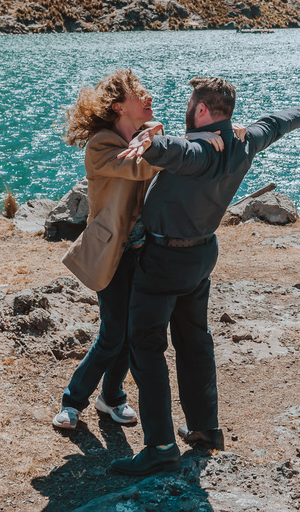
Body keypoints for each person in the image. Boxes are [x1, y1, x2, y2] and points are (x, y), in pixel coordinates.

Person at [109, 77, 300, 475]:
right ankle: (205, 429)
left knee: (146, 346)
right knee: (194, 340)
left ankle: (161, 446)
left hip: (164, 259)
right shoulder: (242, 140)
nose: (187, 107)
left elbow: (182, 151)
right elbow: (277, 122)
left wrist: (150, 140)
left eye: (190, 103)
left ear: (201, 109)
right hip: (201, 254)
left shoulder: (201, 149)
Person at [54, 70, 226, 431]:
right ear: (119, 106)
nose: (149, 97)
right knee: (114, 332)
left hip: (145, 250)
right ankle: (74, 399)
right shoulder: (101, 145)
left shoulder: (147, 135)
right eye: (140, 94)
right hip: (113, 251)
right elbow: (142, 166)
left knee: (134, 333)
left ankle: (112, 396)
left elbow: (161, 150)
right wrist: (196, 141)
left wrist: (196, 138)